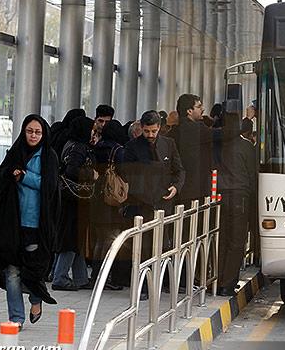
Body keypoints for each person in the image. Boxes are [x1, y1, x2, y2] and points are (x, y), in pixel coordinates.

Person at [0, 114, 60, 329]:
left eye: (37, 132)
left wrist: (24, 177)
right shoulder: (15, 152)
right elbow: (1, 175)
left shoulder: (49, 156)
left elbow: (49, 185)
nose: (33, 135)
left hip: (36, 225)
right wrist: (9, 173)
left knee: (33, 270)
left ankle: (35, 298)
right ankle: (16, 318)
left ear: (44, 134)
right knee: (12, 272)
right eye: (29, 131)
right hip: (12, 223)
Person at [122, 111, 185, 299]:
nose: (150, 135)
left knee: (162, 245)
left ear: (160, 128)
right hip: (141, 204)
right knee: (141, 247)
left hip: (163, 203)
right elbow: (127, 174)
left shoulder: (169, 144)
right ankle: (142, 287)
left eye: (154, 131)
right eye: (147, 131)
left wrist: (176, 187)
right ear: (141, 128)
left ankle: (158, 283)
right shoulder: (132, 147)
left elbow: (179, 170)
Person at [52, 117, 98, 291]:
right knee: (71, 237)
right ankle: (60, 277)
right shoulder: (78, 147)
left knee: (76, 237)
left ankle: (80, 278)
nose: (93, 133)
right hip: (74, 200)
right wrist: (90, 174)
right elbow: (72, 170)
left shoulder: (71, 144)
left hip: (72, 199)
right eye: (91, 129)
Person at [216, 114, 257, 296]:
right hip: (240, 196)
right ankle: (228, 284)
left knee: (223, 239)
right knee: (237, 241)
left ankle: (218, 280)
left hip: (223, 195)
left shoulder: (222, 146)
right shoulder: (247, 147)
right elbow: (253, 175)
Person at [87, 119, 127, 290]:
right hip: (111, 201)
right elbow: (125, 173)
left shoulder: (96, 147)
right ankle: (105, 276)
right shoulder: (118, 151)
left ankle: (95, 275)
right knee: (111, 240)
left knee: (99, 239)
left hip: (96, 198)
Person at [168, 94, 213, 206]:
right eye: (199, 106)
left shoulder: (172, 134)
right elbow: (223, 134)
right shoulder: (197, 129)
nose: (203, 109)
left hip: (177, 187)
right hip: (196, 189)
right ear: (189, 111)